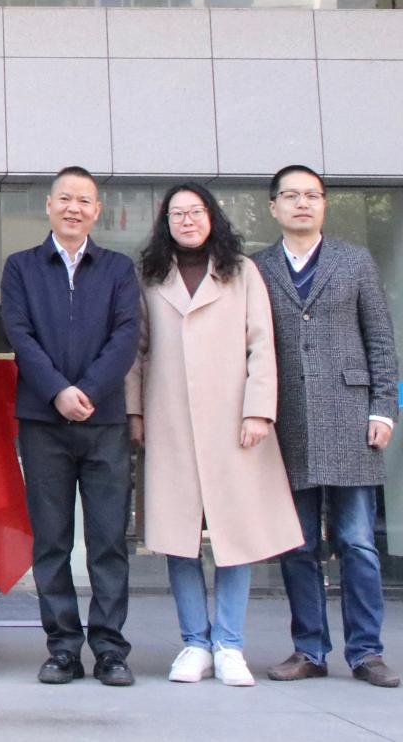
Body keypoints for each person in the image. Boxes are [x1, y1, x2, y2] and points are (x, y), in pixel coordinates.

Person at [125, 183, 303, 687]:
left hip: (233, 420)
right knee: (177, 535)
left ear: (212, 217)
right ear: (165, 223)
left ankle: (229, 644)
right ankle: (194, 644)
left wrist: (258, 412)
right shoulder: (150, 275)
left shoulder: (242, 272)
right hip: (169, 418)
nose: (187, 220)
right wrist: (134, 411)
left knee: (235, 533)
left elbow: (261, 344)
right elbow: (137, 349)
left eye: (195, 211)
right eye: (176, 213)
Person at [254, 165, 400, 688]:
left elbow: (380, 339)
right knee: (297, 546)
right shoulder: (257, 268)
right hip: (287, 421)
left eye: (312, 195)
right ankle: (309, 649)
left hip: (350, 417)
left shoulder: (354, 261)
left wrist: (383, 409)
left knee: (357, 542)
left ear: (324, 204)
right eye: (291, 195)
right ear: (273, 206)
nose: (302, 203)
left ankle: (367, 652)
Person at [0, 166, 140, 686]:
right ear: (49, 206)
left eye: (84, 200)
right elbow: (18, 333)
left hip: (105, 422)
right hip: (43, 421)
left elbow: (126, 336)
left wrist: (90, 391)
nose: (73, 208)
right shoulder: (21, 267)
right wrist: (58, 391)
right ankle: (62, 647)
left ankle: (109, 649)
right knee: (51, 540)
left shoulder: (118, 268)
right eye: (65, 198)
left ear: (97, 210)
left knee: (108, 540)